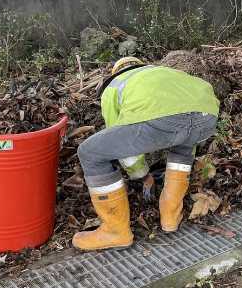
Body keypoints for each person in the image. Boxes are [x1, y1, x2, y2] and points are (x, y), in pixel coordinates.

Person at [73, 56, 220, 251]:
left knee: (90, 152)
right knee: (184, 146)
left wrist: (142, 175)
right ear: (140, 65)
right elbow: (185, 119)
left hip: (164, 121)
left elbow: (122, 148)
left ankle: (115, 232)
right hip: (207, 115)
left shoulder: (114, 86)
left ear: (115, 72)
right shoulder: (163, 72)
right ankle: (170, 217)